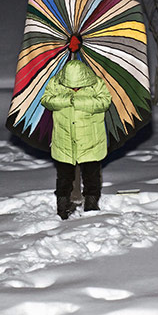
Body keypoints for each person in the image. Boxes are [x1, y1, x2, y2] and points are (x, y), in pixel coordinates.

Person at [41, 59, 112, 220]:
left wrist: (78, 101)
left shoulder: (96, 84)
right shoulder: (56, 83)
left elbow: (105, 101)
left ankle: (91, 204)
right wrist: (67, 99)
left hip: (91, 141)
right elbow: (46, 100)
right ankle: (62, 205)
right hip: (64, 140)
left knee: (91, 176)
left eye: (78, 86)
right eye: (71, 86)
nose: (75, 89)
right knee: (64, 177)